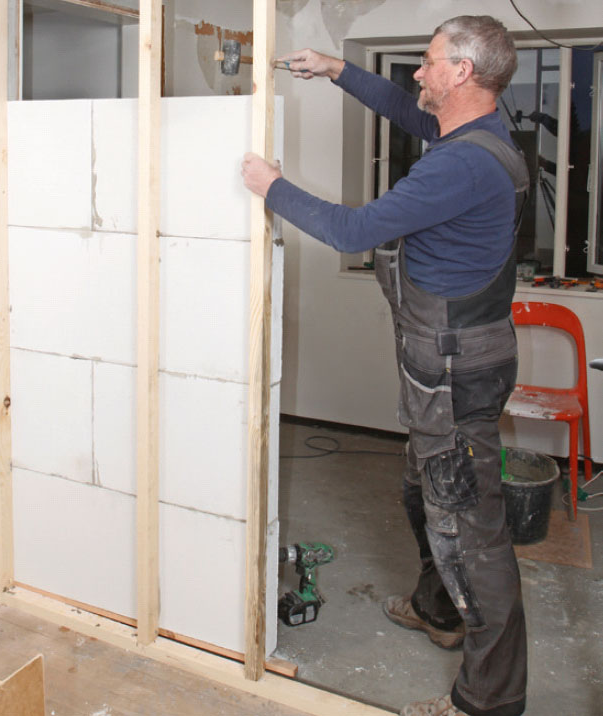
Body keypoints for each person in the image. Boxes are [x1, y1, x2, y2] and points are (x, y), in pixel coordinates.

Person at [242, 15, 528, 716]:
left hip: (455, 372)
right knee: (422, 490)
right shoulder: (482, 136)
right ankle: (440, 609)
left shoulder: (459, 165)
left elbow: (353, 230)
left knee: (470, 533)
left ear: (462, 71)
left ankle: (488, 700)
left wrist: (270, 186)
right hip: (454, 362)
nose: (418, 73)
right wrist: (335, 68)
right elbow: (407, 109)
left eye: (428, 61)